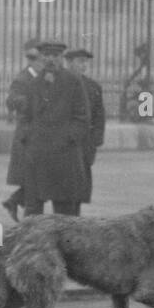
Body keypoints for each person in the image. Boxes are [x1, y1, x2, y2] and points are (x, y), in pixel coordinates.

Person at [20, 40, 90, 217]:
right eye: (46, 55)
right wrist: (29, 139)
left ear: (61, 58)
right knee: (33, 209)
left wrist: (67, 139)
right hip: (38, 156)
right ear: (41, 57)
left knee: (65, 210)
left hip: (64, 156)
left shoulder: (73, 82)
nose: (51, 59)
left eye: (55, 56)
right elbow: (25, 117)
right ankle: (34, 244)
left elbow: (82, 117)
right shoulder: (34, 84)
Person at [2, 38, 42, 221]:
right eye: (37, 59)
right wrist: (29, 102)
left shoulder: (45, 78)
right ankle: (25, 215)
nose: (41, 63)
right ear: (31, 60)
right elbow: (11, 101)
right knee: (35, 181)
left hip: (41, 136)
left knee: (40, 180)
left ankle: (15, 200)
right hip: (27, 137)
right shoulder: (22, 79)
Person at [66, 49, 105, 206]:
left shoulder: (93, 86)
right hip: (67, 142)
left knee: (81, 185)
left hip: (85, 142)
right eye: (79, 61)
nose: (83, 65)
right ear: (69, 63)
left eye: (85, 61)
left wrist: (96, 140)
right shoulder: (62, 84)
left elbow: (99, 115)